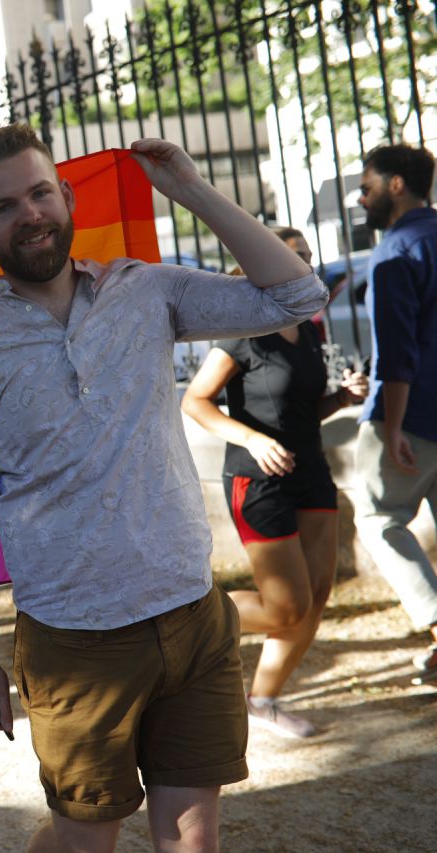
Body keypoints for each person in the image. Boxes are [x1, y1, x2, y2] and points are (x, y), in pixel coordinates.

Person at [0, 125, 328, 852]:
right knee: (88, 838)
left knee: (193, 841)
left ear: (66, 195)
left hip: (191, 616)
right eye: (6, 205)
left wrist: (192, 191)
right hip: (73, 642)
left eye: (41, 192)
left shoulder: (149, 291)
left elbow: (296, 295)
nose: (31, 214)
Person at [181, 226, 369, 738]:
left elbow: (306, 408)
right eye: (294, 257)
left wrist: (344, 400)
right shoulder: (244, 330)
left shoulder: (309, 328)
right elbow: (194, 401)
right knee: (287, 605)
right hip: (257, 478)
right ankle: (182, 620)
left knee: (318, 592)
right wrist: (252, 440)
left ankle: (261, 700)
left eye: (309, 256)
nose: (306, 265)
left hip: (311, 472)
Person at [352, 143, 437, 682]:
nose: (362, 199)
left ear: (396, 184)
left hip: (416, 414)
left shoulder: (395, 254)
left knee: (379, 518)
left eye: (366, 187)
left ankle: (434, 621)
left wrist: (394, 423)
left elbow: (396, 353)